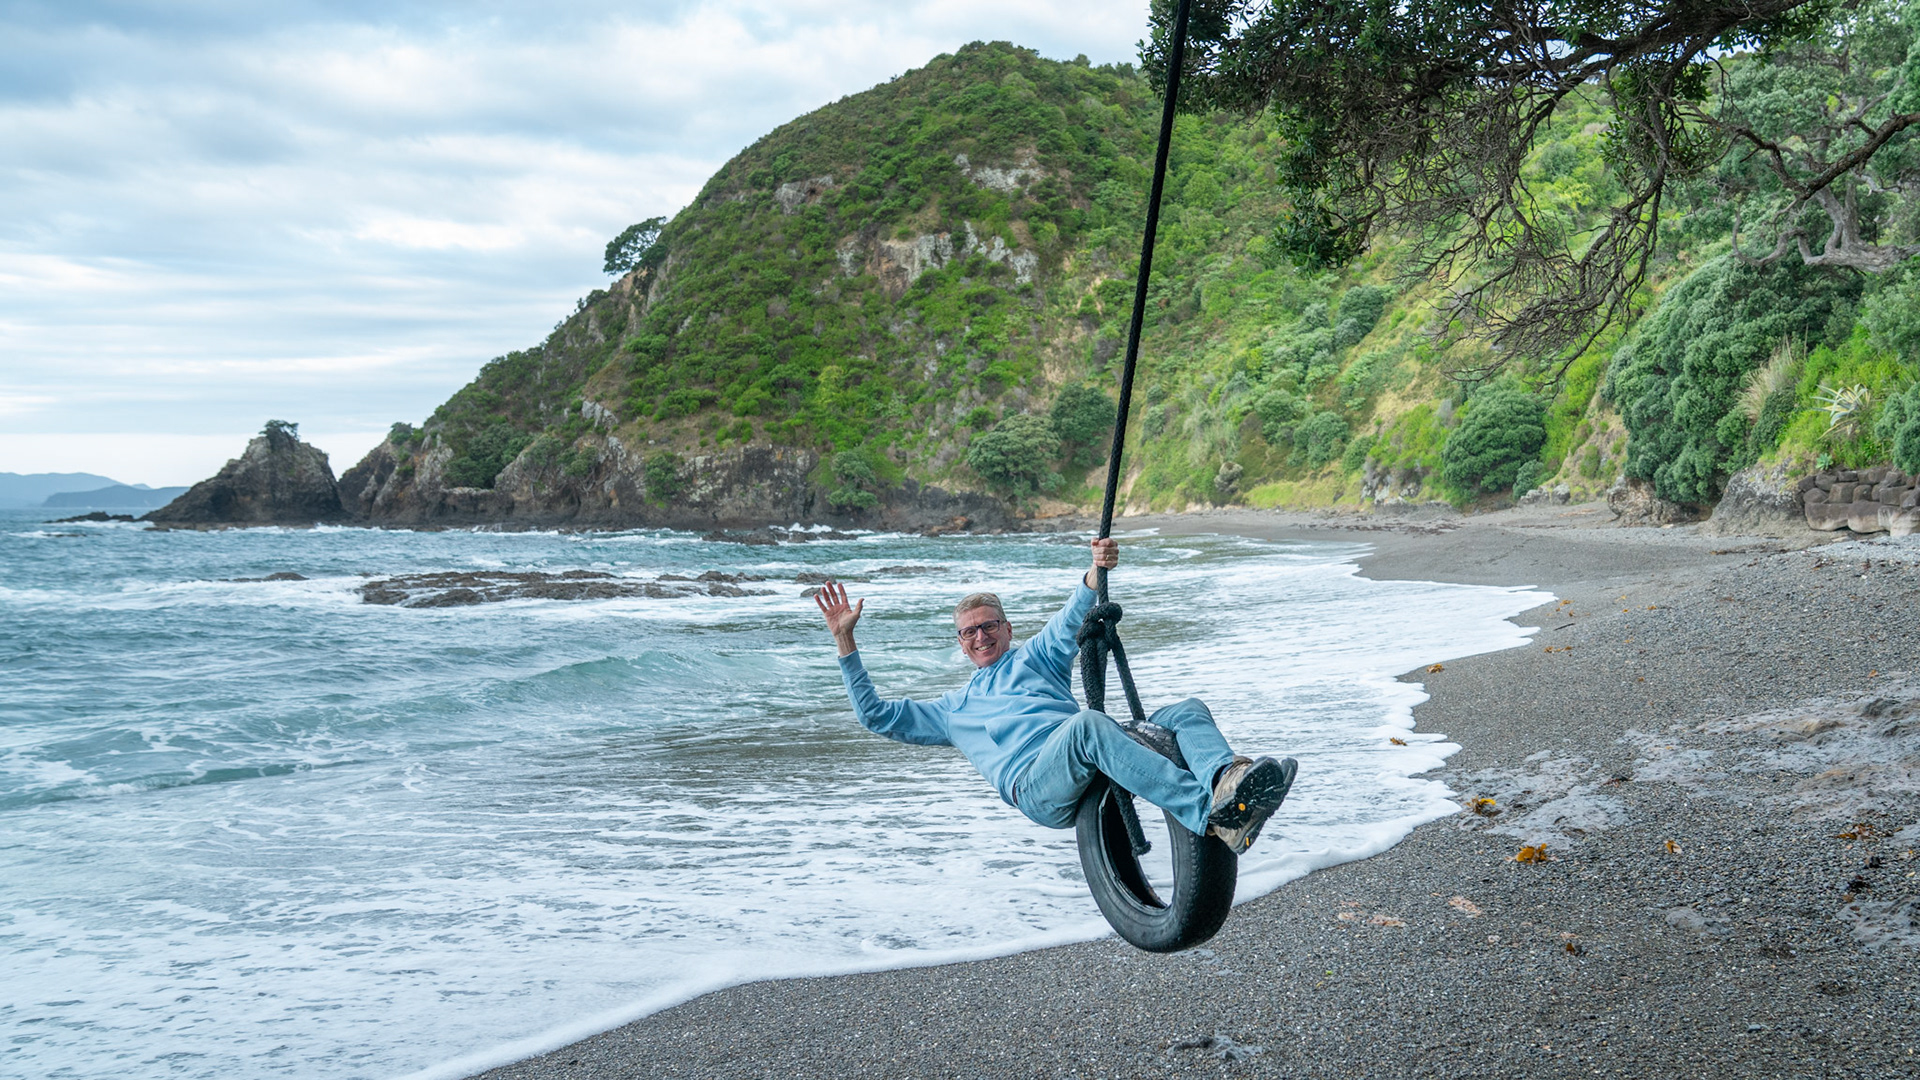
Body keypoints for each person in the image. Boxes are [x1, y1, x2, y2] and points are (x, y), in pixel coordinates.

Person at [814, 537, 1295, 852]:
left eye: (987, 626)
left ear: (1006, 627)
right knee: (1087, 725)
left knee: (1184, 710)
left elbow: (1072, 615)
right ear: (960, 644)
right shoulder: (950, 711)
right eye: (968, 633)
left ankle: (1228, 783)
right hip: (1038, 787)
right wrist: (844, 640)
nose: (979, 637)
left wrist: (1095, 568)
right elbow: (875, 716)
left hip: (1086, 748)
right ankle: (1208, 815)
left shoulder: (1035, 657)